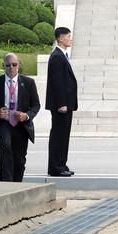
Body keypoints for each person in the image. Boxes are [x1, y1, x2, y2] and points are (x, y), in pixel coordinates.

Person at [0, 53, 40, 182]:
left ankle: (17, 186)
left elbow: (36, 105)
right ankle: (6, 185)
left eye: (14, 65)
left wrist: (26, 116)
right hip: (3, 124)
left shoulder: (28, 83)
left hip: (21, 125)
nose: (11, 68)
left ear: (18, 65)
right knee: (5, 147)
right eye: (8, 65)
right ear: (3, 66)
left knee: (20, 159)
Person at [46, 27, 77, 177]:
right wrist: (61, 103)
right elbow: (57, 83)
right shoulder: (57, 56)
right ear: (60, 38)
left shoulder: (62, 55)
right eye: (68, 36)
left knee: (64, 135)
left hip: (66, 104)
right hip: (61, 105)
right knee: (58, 135)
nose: (70, 39)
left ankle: (61, 164)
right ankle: (55, 167)